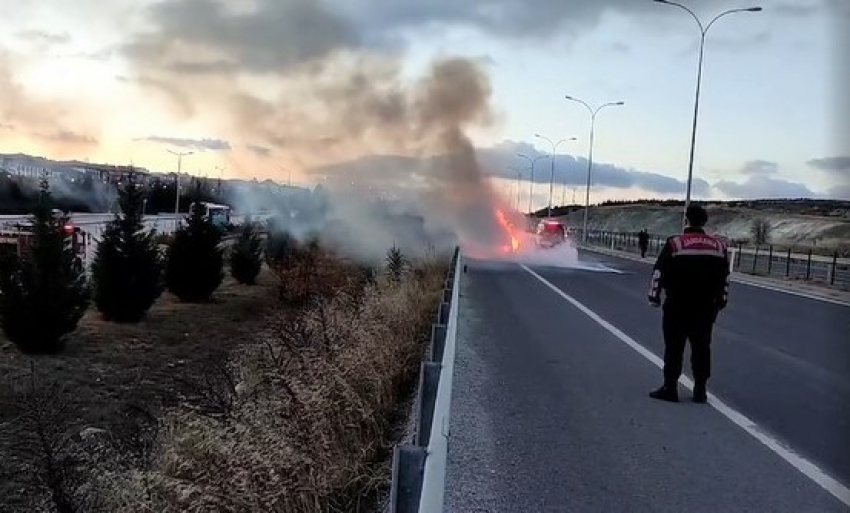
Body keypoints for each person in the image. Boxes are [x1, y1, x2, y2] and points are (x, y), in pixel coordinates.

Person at [646, 205, 729, 403]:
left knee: (674, 347)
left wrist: (654, 296)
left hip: (677, 304)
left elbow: (659, 272)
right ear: (705, 221)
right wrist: (721, 301)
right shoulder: (718, 247)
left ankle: (670, 388)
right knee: (702, 347)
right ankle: (700, 390)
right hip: (705, 307)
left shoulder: (675, 244)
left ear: (686, 220)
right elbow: (724, 278)